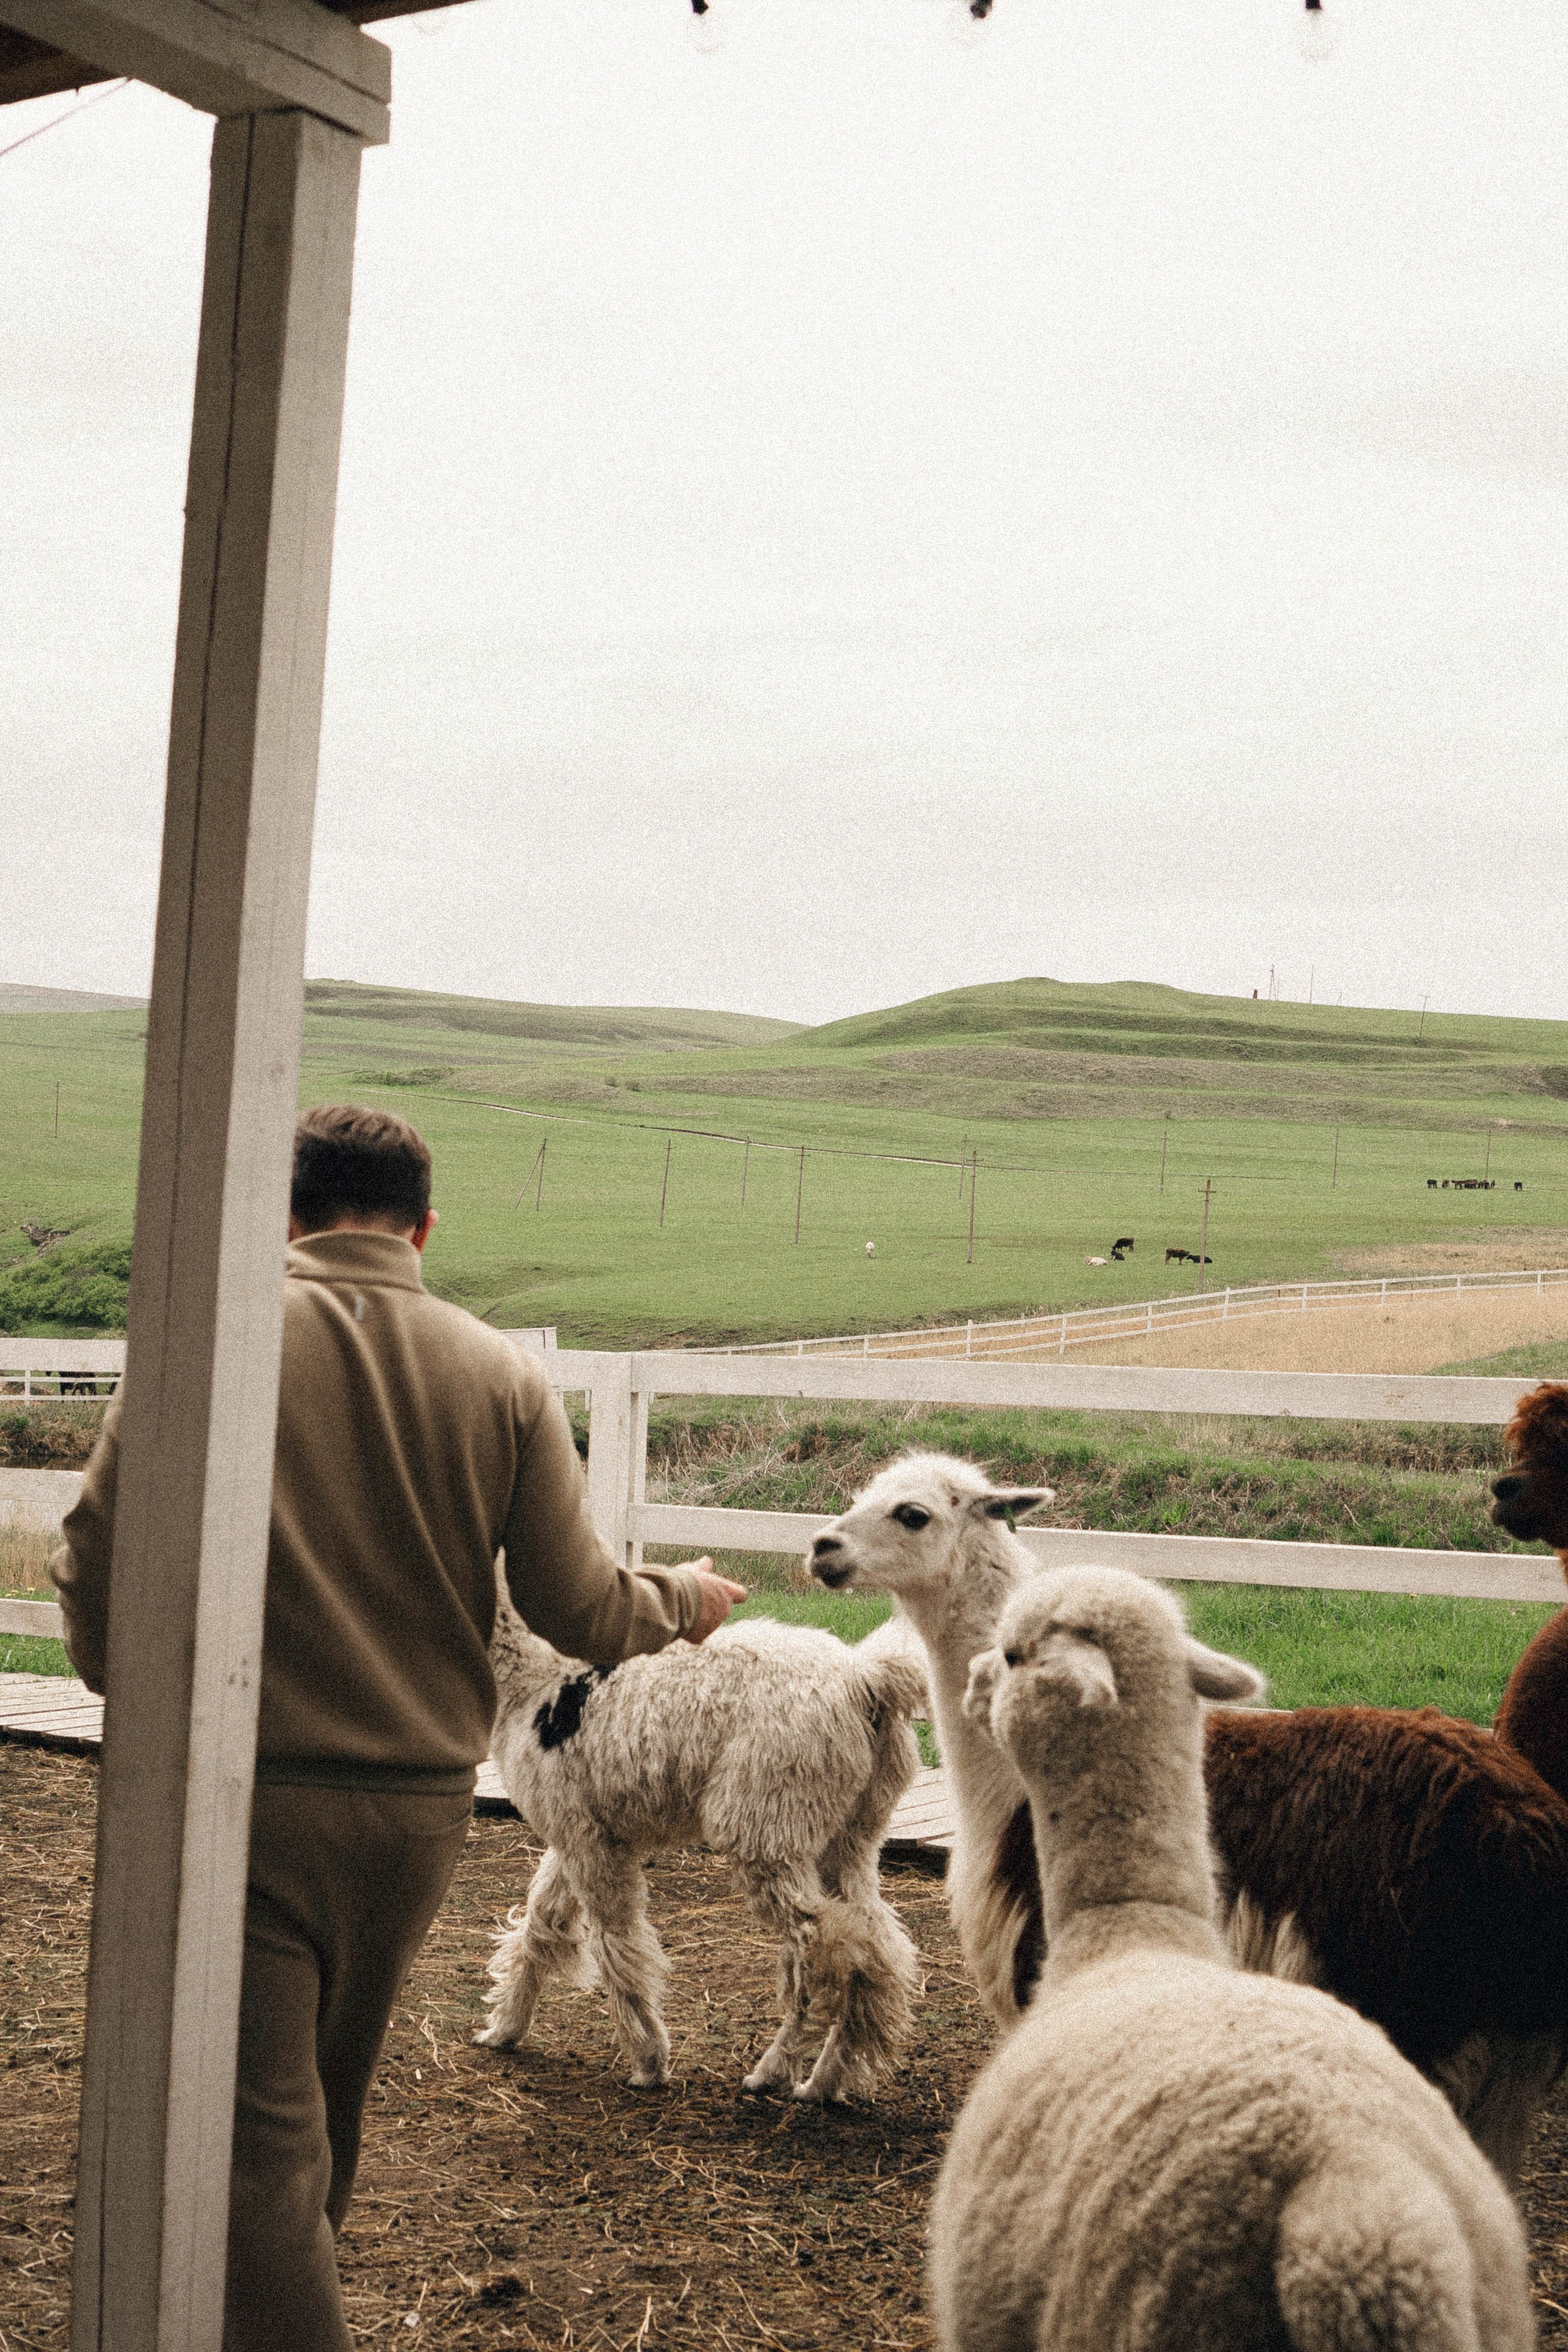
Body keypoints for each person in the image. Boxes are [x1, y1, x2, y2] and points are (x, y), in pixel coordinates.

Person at [52, 1104, 745, 2351]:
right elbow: (574, 1606)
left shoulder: (211, 1342)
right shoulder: (501, 1375)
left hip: (248, 1794)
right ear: (425, 1226)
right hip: (418, 1811)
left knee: (255, 2148)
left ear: (286, 1215)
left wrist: (120, 1680)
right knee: (324, 2111)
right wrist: (681, 1602)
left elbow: (96, 1554)